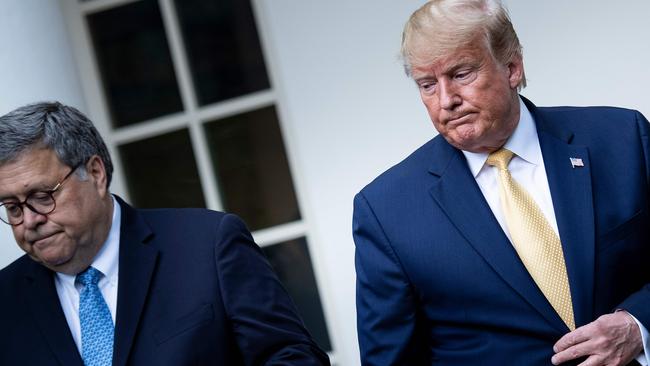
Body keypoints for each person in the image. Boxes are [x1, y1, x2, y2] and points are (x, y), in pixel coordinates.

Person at [352, 0, 650, 365]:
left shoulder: (622, 139)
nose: (446, 101)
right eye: (428, 85)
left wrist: (638, 323)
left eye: (461, 74)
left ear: (512, 66)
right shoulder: (386, 211)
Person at [0, 102, 330, 365]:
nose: (29, 221)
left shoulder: (207, 246)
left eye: (43, 197)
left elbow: (292, 357)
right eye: (13, 208)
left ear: (96, 174)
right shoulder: (6, 301)